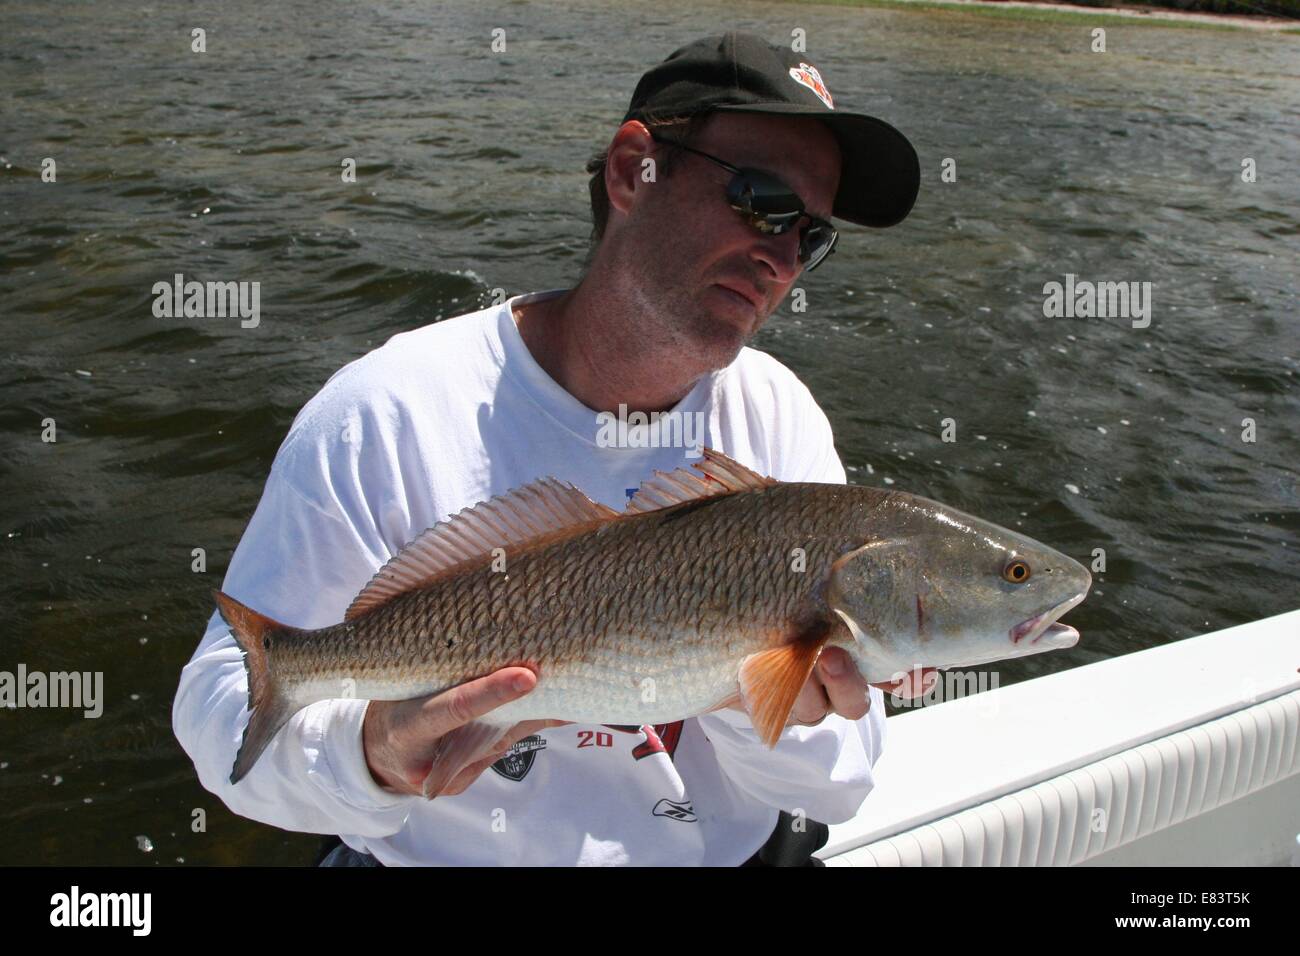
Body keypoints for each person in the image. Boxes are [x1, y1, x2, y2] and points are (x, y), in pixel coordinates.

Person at [173, 31, 928, 866]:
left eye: (812, 234)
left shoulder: (779, 417)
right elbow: (220, 716)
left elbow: (838, 789)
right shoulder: (388, 409)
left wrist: (749, 682)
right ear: (630, 170)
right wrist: (374, 754)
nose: (782, 257)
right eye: (761, 201)